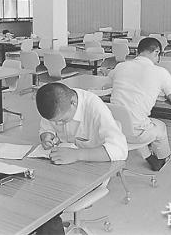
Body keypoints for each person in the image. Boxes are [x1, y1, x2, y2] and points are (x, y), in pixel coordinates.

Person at [34, 83, 128, 235]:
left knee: (46, 203)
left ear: (74, 103)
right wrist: (46, 136)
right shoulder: (55, 103)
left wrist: (77, 155)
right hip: (66, 163)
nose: (58, 124)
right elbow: (46, 127)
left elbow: (120, 151)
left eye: (62, 121)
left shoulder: (94, 107)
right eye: (55, 121)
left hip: (95, 169)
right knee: (34, 190)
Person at [108, 37, 171, 171]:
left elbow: (111, 83)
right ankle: (162, 159)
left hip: (113, 126)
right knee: (159, 126)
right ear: (156, 52)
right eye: (158, 55)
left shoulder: (120, 66)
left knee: (135, 120)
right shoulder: (160, 72)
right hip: (136, 132)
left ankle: (149, 156)